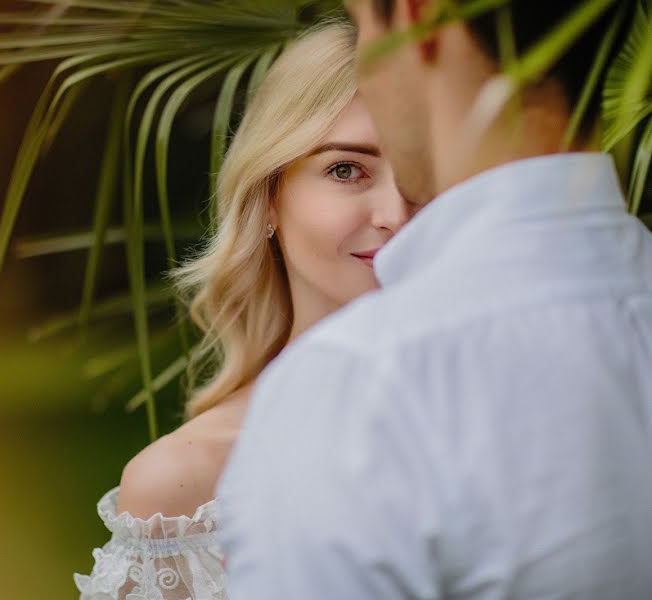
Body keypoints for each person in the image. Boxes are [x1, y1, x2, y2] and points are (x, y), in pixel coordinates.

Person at [217, 0, 652, 598]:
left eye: (365, 24)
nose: (393, 213)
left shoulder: (363, 387)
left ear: (415, 17)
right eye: (346, 170)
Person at [74, 20, 412, 599]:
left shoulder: (535, 415)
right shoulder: (185, 490)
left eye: (421, 173)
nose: (397, 214)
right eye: (346, 170)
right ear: (270, 196)